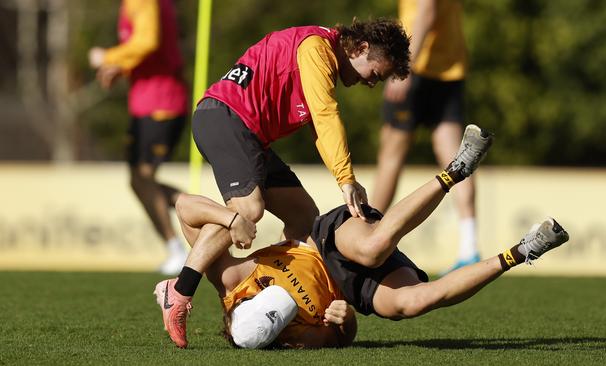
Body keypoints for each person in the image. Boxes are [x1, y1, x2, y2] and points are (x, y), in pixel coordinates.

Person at [153, 125, 571, 349]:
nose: (281, 314)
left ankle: (456, 169)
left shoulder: (229, 278)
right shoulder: (298, 338)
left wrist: (229, 221)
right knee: (413, 303)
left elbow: (185, 207)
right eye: (279, 324)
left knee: (372, 248)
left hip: (326, 238)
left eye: (265, 308)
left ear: (238, 308)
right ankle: (523, 250)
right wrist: (345, 322)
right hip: (350, 287)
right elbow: (341, 336)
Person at [190, 19, 410, 247]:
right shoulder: (317, 49)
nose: (372, 83)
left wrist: (345, 177)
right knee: (249, 209)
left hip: (248, 133)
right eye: (375, 73)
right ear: (362, 48)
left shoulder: (325, 54)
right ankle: (183, 267)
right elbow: (326, 116)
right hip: (225, 118)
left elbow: (319, 126)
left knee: (303, 216)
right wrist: (346, 179)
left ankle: (274, 280)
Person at [372, 0, 479, 272]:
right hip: (450, 69)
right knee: (457, 159)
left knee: (391, 158)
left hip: (419, 69)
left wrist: (405, 67)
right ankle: (470, 247)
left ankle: (368, 233)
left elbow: (427, 11)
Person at [88, 0, 189, 274]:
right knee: (139, 180)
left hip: (161, 103)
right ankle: (204, 220)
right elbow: (151, 51)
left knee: (143, 178)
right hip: (148, 102)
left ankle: (179, 248)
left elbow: (148, 41)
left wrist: (107, 57)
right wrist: (122, 68)